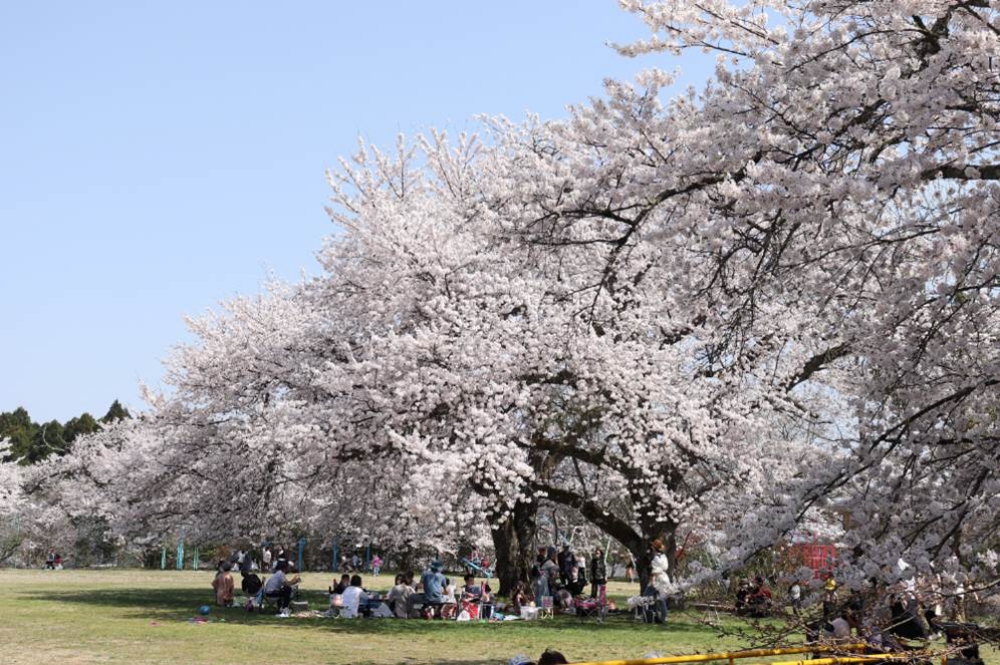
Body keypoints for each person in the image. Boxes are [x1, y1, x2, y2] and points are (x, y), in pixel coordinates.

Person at [648, 538, 671, 624]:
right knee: (661, 599)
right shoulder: (663, 557)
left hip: (658, 579)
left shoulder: (655, 558)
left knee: (647, 597)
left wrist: (653, 580)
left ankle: (653, 615)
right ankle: (660, 616)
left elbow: (655, 570)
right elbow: (665, 567)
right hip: (664, 578)